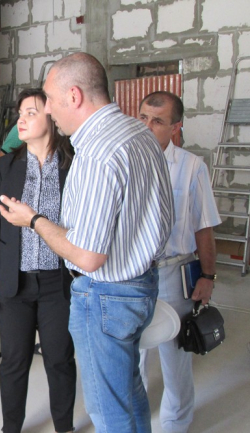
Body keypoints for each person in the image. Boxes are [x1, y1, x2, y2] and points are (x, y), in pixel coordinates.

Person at [0, 52, 174, 432]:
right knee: (129, 391)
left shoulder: (96, 153)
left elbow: (88, 256)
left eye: (50, 100)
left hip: (107, 295)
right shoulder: (139, 132)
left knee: (108, 412)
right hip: (142, 284)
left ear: (74, 96)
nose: (49, 110)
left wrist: (34, 221)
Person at [0, 88, 76, 433]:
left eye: (31, 112)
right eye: (19, 114)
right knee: (14, 361)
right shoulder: (5, 166)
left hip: (57, 284)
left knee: (59, 360)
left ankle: (64, 426)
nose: (20, 119)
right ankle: (11, 428)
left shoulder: (73, 164)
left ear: (51, 116)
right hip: (13, 282)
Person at [137, 91, 221, 433]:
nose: (147, 126)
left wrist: (208, 276)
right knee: (133, 352)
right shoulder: (127, 161)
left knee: (176, 352)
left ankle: (176, 422)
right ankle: (135, 416)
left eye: (157, 121)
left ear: (175, 127)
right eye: (143, 117)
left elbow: (204, 227)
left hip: (173, 272)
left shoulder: (191, 167)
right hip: (134, 273)